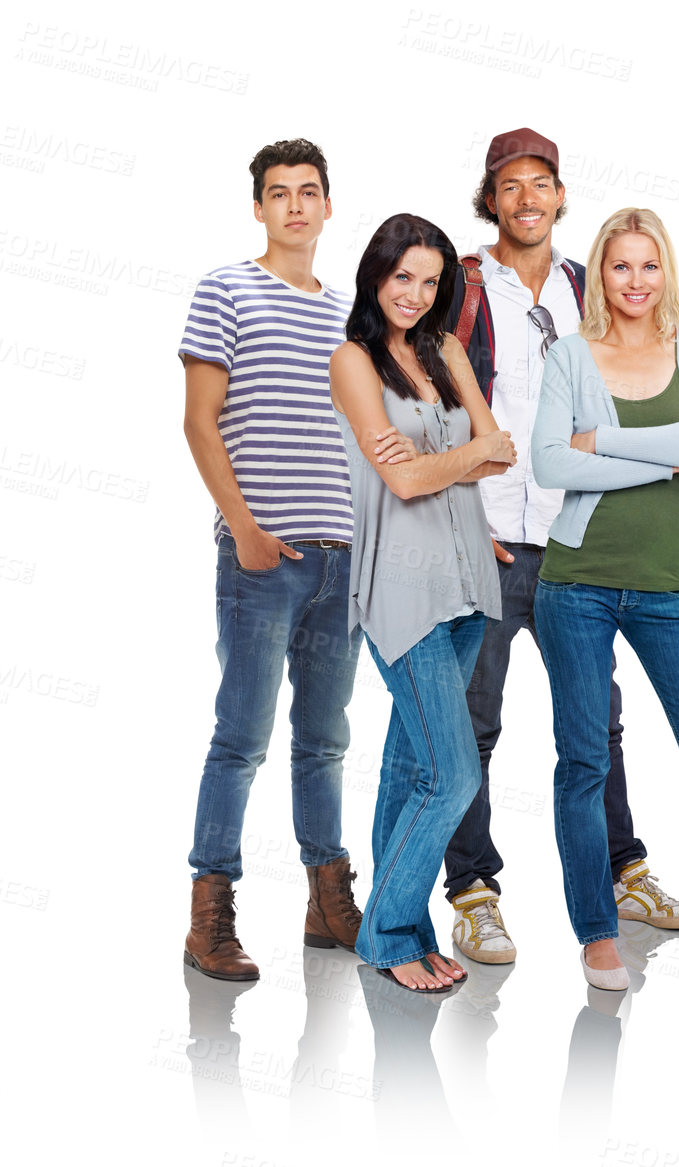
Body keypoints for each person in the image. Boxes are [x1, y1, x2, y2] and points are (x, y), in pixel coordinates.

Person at [439, 128, 679, 968]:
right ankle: (473, 891)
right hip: (492, 541)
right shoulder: (465, 288)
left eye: (541, 182)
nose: (528, 197)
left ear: (560, 194)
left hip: (579, 543)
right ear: (491, 199)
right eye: (511, 185)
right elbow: (433, 403)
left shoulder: (591, 285)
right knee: (473, 723)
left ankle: (626, 872)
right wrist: (461, 516)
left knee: (598, 725)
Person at [532, 207, 679, 991]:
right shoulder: (569, 354)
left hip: (676, 585)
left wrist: (606, 441)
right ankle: (596, 933)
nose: (635, 281)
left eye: (648, 266)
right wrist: (662, 453)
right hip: (577, 584)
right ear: (601, 271)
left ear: (666, 272)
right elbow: (551, 466)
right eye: (620, 266)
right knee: (584, 761)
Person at [180, 138, 377, 979]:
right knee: (241, 737)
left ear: (329, 206)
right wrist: (244, 529)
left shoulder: (349, 313)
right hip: (261, 558)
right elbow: (199, 418)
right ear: (258, 207)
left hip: (342, 558)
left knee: (325, 739)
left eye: (309, 191)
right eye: (278, 192)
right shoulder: (226, 289)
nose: (295, 205)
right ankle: (210, 911)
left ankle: (327, 898)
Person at [328, 212, 515, 992]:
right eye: (403, 275)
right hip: (401, 585)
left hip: (470, 574)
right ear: (377, 275)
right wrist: (461, 458)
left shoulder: (442, 351)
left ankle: (405, 927)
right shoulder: (352, 361)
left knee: (412, 768)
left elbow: (499, 448)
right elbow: (404, 481)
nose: (416, 292)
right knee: (454, 775)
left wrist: (453, 458)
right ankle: (383, 932)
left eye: (431, 280)